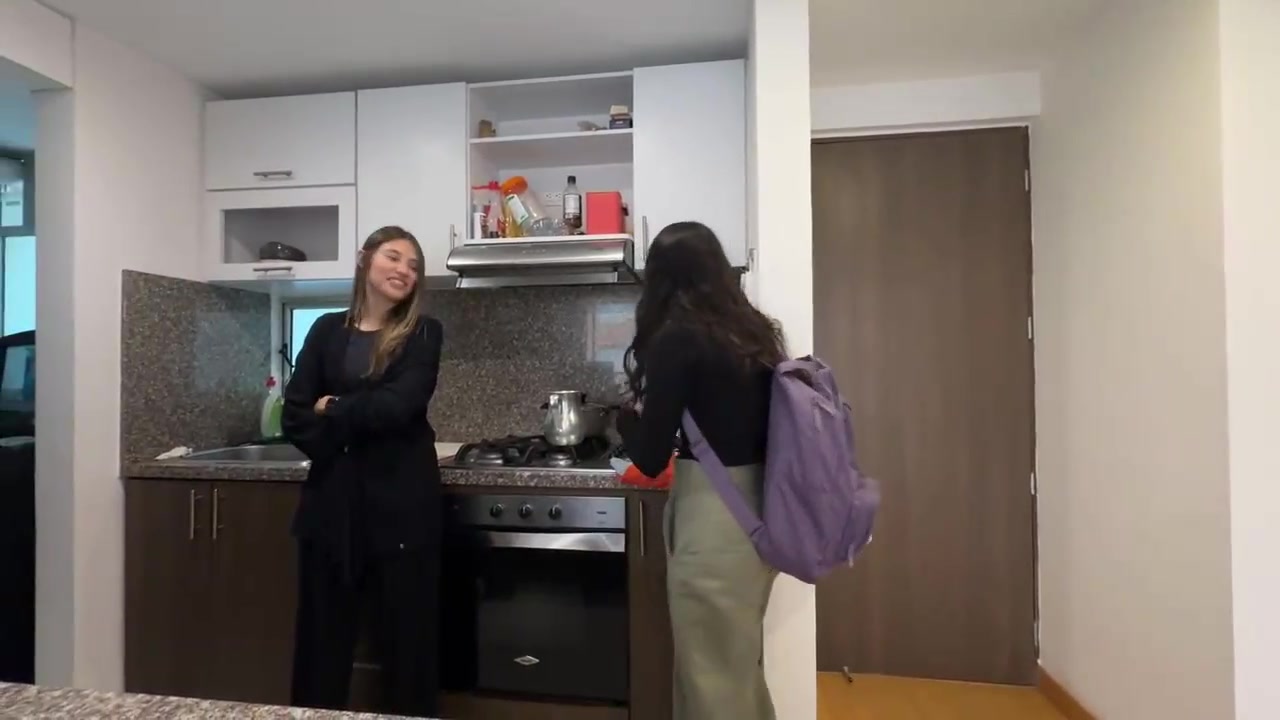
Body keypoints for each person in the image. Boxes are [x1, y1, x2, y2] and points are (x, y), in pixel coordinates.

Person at [615, 220, 784, 720]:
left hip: (713, 520)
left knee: (710, 682)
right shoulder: (754, 334)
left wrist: (623, 421)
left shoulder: (679, 338)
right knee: (736, 672)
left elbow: (649, 457)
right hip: (758, 511)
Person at [281, 225, 444, 716]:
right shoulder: (325, 329)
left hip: (401, 512)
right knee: (321, 644)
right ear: (364, 259)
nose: (404, 270)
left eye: (413, 266)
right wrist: (350, 425)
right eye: (393, 257)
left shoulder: (423, 333)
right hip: (332, 510)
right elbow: (295, 414)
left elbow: (399, 406)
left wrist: (332, 408)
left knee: (407, 647)